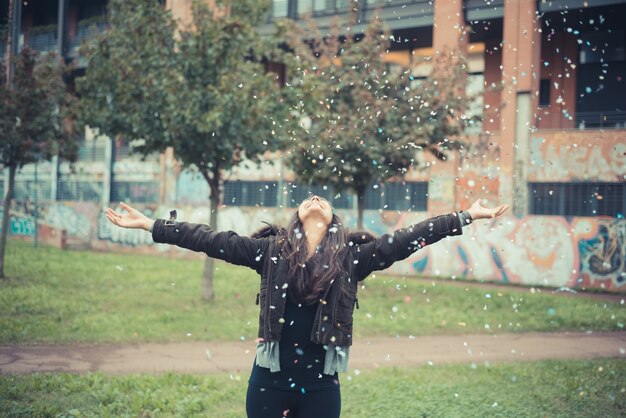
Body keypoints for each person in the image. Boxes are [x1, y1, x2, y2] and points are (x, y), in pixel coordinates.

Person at [105, 196, 508, 417]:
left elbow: (408, 238)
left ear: (334, 219)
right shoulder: (269, 252)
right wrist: (152, 225)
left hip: (320, 387)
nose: (314, 199)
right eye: (307, 199)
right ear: (296, 218)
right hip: (269, 380)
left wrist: (466, 215)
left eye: (323, 200)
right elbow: (210, 239)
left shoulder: (354, 258)